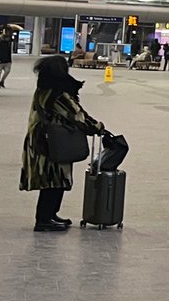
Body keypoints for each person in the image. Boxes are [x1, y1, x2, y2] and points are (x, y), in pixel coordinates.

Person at [21, 55, 107, 232]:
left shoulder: (44, 89)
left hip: (43, 140)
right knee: (52, 180)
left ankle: (51, 214)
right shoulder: (58, 93)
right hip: (49, 143)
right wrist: (97, 127)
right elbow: (77, 115)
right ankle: (44, 218)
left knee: (54, 180)